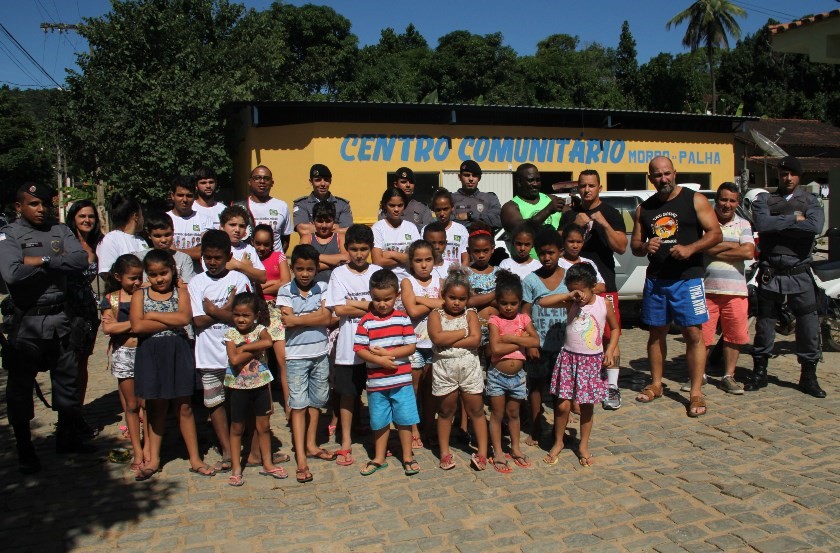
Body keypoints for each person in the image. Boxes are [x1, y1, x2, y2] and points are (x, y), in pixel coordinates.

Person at [0, 183, 92, 473]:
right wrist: (54, 264)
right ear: (19, 207)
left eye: (44, 204)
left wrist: (41, 260)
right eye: (33, 204)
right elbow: (12, 274)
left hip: (60, 320)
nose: (41, 209)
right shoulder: (9, 234)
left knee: (67, 384)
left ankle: (67, 438)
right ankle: (25, 448)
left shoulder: (60, 230)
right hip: (26, 323)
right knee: (20, 389)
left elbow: (80, 259)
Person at [630, 156, 722, 417]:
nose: (663, 179)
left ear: (675, 173)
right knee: (656, 333)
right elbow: (635, 246)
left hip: (688, 278)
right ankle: (656, 384)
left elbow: (716, 233)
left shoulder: (695, 199)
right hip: (657, 280)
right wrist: (646, 246)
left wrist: (691, 248)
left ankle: (695, 392)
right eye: (657, 175)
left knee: (693, 334)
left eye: (667, 173)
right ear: (650, 178)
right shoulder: (644, 208)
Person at [131, 249, 214, 480]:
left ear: (173, 270)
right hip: (151, 353)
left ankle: (195, 458)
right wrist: (167, 321)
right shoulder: (140, 295)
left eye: (164, 273)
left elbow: (184, 318)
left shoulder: (181, 292)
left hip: (179, 351)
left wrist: (152, 317)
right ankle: (154, 459)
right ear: (147, 275)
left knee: (184, 407)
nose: (160, 279)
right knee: (156, 407)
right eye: (154, 274)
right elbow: (137, 327)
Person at [749, 156, 826, 397]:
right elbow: (761, 223)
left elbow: (815, 227)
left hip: (799, 272)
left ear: (799, 176)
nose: (788, 178)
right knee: (765, 324)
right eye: (784, 174)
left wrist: (777, 223)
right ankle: (760, 372)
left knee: (809, 325)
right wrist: (794, 219)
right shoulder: (764, 199)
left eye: (792, 174)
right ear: (778, 175)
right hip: (771, 272)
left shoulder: (810, 201)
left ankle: (808, 375)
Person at [539, 263, 620, 467]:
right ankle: (558, 442)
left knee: (586, 406)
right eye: (574, 290)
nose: (579, 295)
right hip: (569, 359)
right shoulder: (571, 302)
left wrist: (610, 351)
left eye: (582, 290)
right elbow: (543, 302)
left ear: (593, 286)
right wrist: (568, 296)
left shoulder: (603, 304)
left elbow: (616, 328)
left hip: (592, 362)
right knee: (562, 404)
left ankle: (583, 445)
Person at [559, 169, 627, 409]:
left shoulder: (610, 212)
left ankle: (612, 386)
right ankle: (578, 386)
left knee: (608, 335)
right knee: (576, 334)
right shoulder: (570, 215)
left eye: (591, 185)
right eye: (582, 185)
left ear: (599, 187)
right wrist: (573, 225)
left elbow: (621, 247)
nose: (586, 190)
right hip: (574, 286)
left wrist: (603, 224)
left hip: (603, 283)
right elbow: (557, 244)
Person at [188, 230, 253, 473]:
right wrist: (227, 309)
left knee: (239, 401)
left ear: (228, 256)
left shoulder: (238, 279)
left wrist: (214, 311)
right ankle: (227, 449)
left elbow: (244, 317)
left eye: (217, 257)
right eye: (208, 258)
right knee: (214, 402)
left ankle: (243, 444)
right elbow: (198, 320)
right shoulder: (196, 283)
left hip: (237, 351)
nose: (212, 263)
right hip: (208, 354)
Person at [353, 269, 420, 476]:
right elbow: (360, 349)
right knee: (379, 421)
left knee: (405, 420)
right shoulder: (366, 321)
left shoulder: (402, 319)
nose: (382, 304)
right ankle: (379, 457)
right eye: (377, 299)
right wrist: (379, 360)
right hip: (376, 384)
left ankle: (407, 456)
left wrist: (388, 354)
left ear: (397, 295)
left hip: (402, 383)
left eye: (387, 299)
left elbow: (410, 346)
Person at [276, 244, 335, 482]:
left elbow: (327, 317)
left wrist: (300, 319)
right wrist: (316, 318)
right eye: (299, 268)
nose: (304, 273)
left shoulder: (323, 287)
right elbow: (287, 320)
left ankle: (311, 444)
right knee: (298, 406)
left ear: (316, 269)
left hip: (320, 354)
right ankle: (301, 457)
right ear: (292, 268)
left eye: (309, 269)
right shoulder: (284, 290)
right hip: (296, 358)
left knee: (317, 401)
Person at [326, 224, 382, 467]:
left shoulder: (378, 272)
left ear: (371, 249)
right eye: (354, 249)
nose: (359, 254)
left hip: (377, 345)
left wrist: (353, 301)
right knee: (348, 396)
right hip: (349, 346)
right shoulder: (338, 274)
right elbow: (339, 309)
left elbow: (387, 304)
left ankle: (378, 440)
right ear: (346, 248)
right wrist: (370, 304)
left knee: (377, 395)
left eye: (364, 249)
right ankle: (345, 441)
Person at [696, 182, 755, 395]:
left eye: (731, 201)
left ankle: (728, 376)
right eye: (723, 199)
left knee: (734, 336)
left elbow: (748, 252)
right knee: (702, 337)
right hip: (706, 290)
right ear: (716, 200)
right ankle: (699, 376)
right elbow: (701, 246)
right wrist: (733, 246)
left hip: (736, 291)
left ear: (737, 202)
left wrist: (712, 250)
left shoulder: (744, 224)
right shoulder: (704, 222)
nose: (727, 204)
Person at [428, 266, 489, 471]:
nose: (456, 303)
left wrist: (448, 341)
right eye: (452, 298)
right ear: (443, 295)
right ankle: (445, 452)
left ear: (467, 299)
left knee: (477, 410)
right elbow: (437, 337)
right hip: (444, 369)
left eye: (461, 299)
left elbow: (476, 340)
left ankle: (481, 452)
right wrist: (464, 332)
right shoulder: (435, 315)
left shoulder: (471, 314)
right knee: (446, 411)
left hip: (469, 368)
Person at [224, 292, 286, 486]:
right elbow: (233, 361)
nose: (241, 319)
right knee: (236, 428)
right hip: (238, 387)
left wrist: (242, 348)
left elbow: (268, 342)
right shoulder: (230, 334)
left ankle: (267, 463)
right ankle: (236, 468)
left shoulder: (260, 330)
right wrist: (253, 350)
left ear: (255, 315)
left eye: (246, 315)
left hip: (260, 386)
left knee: (264, 427)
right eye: (236, 315)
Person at [486, 270, 540, 472]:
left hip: (518, 377)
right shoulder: (495, 321)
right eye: (504, 303)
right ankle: (498, 451)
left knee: (514, 413)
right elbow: (496, 349)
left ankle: (515, 448)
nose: (508, 307)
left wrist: (511, 338)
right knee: (497, 413)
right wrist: (520, 342)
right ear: (497, 302)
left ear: (519, 302)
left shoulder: (523, 319)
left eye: (513, 303)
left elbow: (535, 341)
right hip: (497, 376)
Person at [521, 226, 569, 446]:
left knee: (561, 389)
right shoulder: (531, 280)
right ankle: (536, 426)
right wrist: (530, 343)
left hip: (564, 345)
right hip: (539, 344)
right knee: (536, 386)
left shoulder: (569, 278)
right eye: (542, 253)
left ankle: (559, 431)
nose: (546, 257)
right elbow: (525, 314)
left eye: (551, 252)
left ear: (560, 251)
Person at [101, 254, 146, 472]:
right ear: (119, 277)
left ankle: (147, 447)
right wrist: (136, 323)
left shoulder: (146, 295)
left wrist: (124, 325)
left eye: (139, 277)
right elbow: (108, 329)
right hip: (124, 353)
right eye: (132, 278)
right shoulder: (111, 299)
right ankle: (137, 450)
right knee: (130, 405)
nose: (136, 282)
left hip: (145, 351)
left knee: (145, 404)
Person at [65, 199, 104, 437]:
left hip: (90, 311)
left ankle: (77, 413)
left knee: (83, 364)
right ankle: (68, 416)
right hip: (69, 312)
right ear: (73, 219)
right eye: (82, 217)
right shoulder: (65, 244)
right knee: (68, 364)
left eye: (90, 216)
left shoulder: (98, 244)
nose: (87, 220)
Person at [401, 239, 444, 447]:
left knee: (430, 388)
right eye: (418, 260)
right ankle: (414, 429)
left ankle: (429, 427)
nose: (424, 264)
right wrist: (434, 304)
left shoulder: (439, 279)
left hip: (434, 344)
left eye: (428, 259)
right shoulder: (407, 281)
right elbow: (412, 311)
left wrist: (422, 300)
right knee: (413, 388)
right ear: (411, 262)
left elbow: (446, 305)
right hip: (414, 343)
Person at [501, 164, 566, 258]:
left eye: (538, 180)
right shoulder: (510, 207)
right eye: (531, 180)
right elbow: (522, 229)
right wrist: (547, 210)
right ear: (519, 182)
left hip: (554, 266)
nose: (535, 184)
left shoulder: (552, 199)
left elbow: (571, 221)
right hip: (525, 268)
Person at [236, 165, 294, 253]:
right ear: (250, 182)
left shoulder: (282, 206)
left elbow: (285, 239)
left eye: (266, 178)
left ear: (272, 183)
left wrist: (274, 259)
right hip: (247, 261)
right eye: (257, 178)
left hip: (273, 263)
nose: (262, 181)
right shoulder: (238, 207)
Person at [466, 222, 499, 366]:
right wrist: (494, 294)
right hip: (473, 329)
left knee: (493, 363)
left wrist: (479, 297)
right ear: (469, 251)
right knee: (475, 366)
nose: (481, 255)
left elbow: (503, 302)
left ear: (493, 249)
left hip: (496, 329)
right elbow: (468, 302)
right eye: (476, 251)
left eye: (485, 251)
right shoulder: (465, 274)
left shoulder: (500, 273)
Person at [293, 163, 353, 242]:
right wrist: (335, 227)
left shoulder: (342, 205)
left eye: (326, 179)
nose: (323, 184)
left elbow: (348, 232)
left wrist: (314, 226)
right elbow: (302, 230)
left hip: (337, 250)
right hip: (310, 250)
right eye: (318, 180)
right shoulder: (302, 204)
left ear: (330, 181)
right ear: (311, 182)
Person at [372, 187, 420, 281]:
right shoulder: (377, 228)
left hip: (408, 280)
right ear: (385, 205)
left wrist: (391, 254)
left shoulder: (411, 228)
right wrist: (405, 259)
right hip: (384, 282)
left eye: (400, 205)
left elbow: (417, 258)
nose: (396, 209)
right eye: (392, 205)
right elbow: (377, 261)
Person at [134, 212, 196, 283]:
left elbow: (186, 286)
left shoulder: (184, 259)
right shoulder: (140, 258)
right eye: (158, 236)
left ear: (173, 233)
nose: (163, 240)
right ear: (149, 235)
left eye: (167, 235)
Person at [96, 192, 147, 280]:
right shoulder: (111, 239)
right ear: (136, 216)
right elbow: (106, 274)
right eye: (141, 214)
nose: (143, 219)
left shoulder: (141, 241)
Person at [167, 175, 215, 262]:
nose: (185, 200)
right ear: (172, 196)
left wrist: (175, 251)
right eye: (180, 195)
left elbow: (207, 250)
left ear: (194, 196)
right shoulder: (165, 219)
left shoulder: (205, 220)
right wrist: (194, 251)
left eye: (189, 195)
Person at [215, 205, 267, 284]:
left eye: (242, 226)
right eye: (232, 225)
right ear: (222, 226)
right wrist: (249, 269)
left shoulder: (249, 249)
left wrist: (238, 265)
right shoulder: (215, 248)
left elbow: (263, 277)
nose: (237, 230)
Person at [299, 201, 347, 284]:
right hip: (313, 288)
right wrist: (336, 263)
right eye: (320, 221)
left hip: (337, 286)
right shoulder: (307, 238)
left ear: (334, 221)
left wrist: (315, 256)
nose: (324, 225)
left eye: (328, 221)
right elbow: (305, 263)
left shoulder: (340, 237)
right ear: (313, 221)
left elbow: (346, 258)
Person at [451, 160, 502, 229]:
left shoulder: (490, 198)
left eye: (474, 175)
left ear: (479, 178)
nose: (471, 179)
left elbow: (498, 220)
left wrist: (470, 215)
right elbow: (447, 220)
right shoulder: (450, 199)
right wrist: (482, 223)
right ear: (459, 177)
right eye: (467, 175)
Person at [380, 167, 433, 231]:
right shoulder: (387, 206)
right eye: (403, 182)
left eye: (411, 182)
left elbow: (428, 231)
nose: (408, 185)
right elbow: (383, 228)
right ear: (396, 184)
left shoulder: (422, 207)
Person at [427, 189, 470, 266]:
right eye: (438, 210)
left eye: (445, 209)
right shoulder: (427, 230)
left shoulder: (461, 230)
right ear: (433, 209)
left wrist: (460, 275)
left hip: (455, 276)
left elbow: (465, 258)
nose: (442, 213)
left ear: (452, 208)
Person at [559, 224, 605, 293]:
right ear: (563, 242)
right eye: (571, 241)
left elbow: (601, 286)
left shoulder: (588, 262)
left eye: (579, 242)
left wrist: (581, 292)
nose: (575, 246)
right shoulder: (558, 263)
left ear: (583, 242)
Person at [253, 223, 291, 301]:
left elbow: (286, 284)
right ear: (252, 241)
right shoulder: (249, 259)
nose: (262, 248)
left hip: (275, 304)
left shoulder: (279, 257)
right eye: (258, 243)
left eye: (266, 244)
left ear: (272, 243)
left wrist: (259, 291)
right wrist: (274, 282)